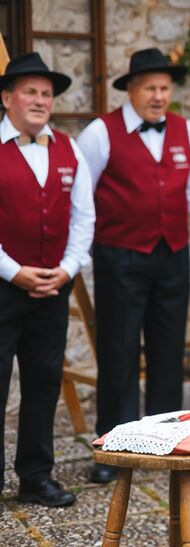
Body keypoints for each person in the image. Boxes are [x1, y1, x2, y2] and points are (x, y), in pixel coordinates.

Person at [77, 48, 190, 484]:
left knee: (169, 351)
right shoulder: (100, 133)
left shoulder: (187, 131)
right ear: (130, 89)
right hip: (120, 256)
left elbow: (188, 194)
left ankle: (164, 442)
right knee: (119, 350)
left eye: (164, 88)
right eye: (150, 88)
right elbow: (83, 197)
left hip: (172, 254)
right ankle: (115, 447)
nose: (158, 96)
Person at [0, 53, 94, 506]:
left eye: (46, 94)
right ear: (7, 99)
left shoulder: (70, 149)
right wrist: (14, 272)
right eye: (30, 92)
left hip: (53, 287)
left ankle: (36, 477)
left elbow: (84, 217)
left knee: (43, 383)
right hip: (3, 285)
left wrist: (69, 268)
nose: (40, 101)